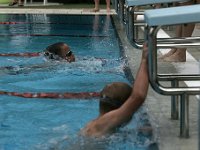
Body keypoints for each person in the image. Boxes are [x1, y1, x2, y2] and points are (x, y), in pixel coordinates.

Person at [81, 43, 149, 137]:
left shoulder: (99, 124)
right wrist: (144, 61)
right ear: (123, 107)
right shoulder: (105, 122)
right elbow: (138, 96)